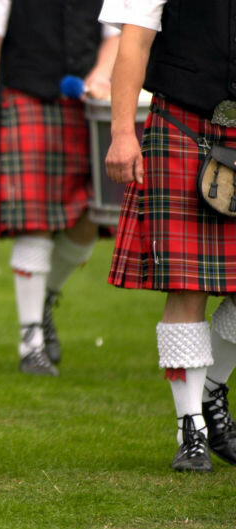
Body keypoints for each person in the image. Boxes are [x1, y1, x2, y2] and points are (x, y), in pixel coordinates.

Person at [101, 0, 236, 472]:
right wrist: (122, 132)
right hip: (183, 122)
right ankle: (192, 426)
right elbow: (133, 43)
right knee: (188, 287)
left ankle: (212, 387)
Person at [0, 0, 119, 375]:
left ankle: (46, 296)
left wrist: (102, 73)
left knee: (91, 218)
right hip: (27, 101)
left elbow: (117, 34)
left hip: (86, 105)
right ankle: (30, 340)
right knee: (34, 221)